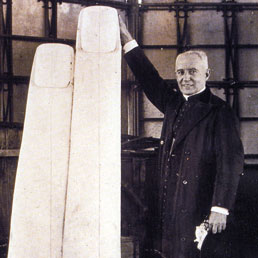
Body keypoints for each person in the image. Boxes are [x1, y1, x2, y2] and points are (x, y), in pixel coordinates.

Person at [119, 16, 244, 258]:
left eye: (192, 72)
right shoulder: (173, 103)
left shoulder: (220, 111)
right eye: (181, 72)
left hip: (199, 202)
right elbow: (149, 78)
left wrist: (220, 207)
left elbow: (231, 162)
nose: (186, 78)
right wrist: (127, 40)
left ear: (207, 74)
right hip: (170, 202)